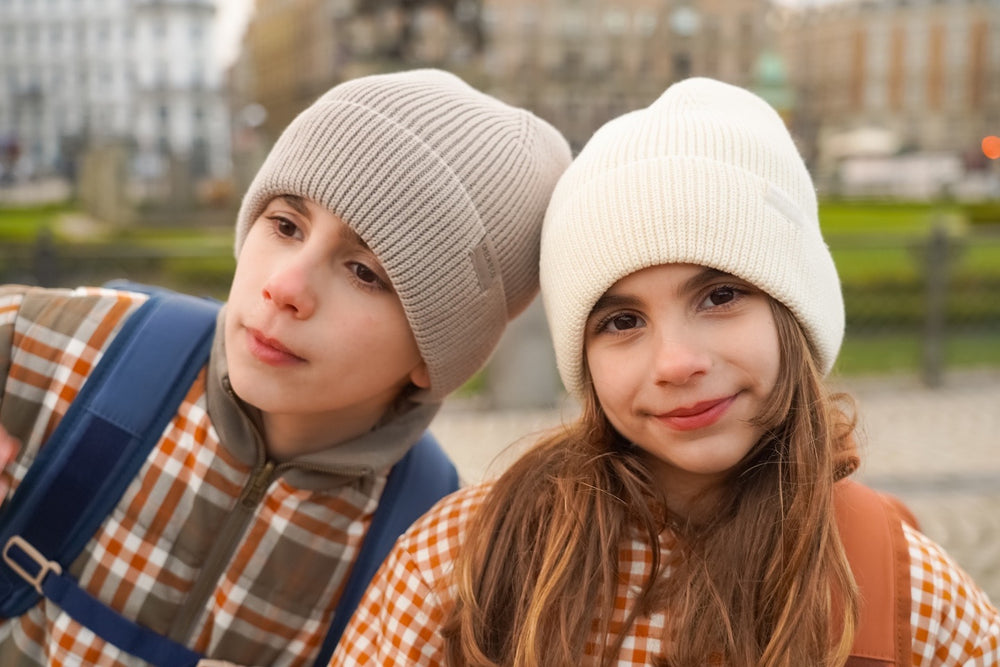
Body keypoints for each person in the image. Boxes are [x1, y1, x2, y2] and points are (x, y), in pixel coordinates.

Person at [331, 78, 1000, 666]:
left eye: (720, 296)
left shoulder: (910, 594)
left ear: (792, 311)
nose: (678, 363)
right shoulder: (463, 559)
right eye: (622, 322)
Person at [0, 69, 571, 665]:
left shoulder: (434, 558)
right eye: (285, 225)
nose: (286, 285)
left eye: (365, 273)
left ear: (437, 355)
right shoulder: (57, 348)